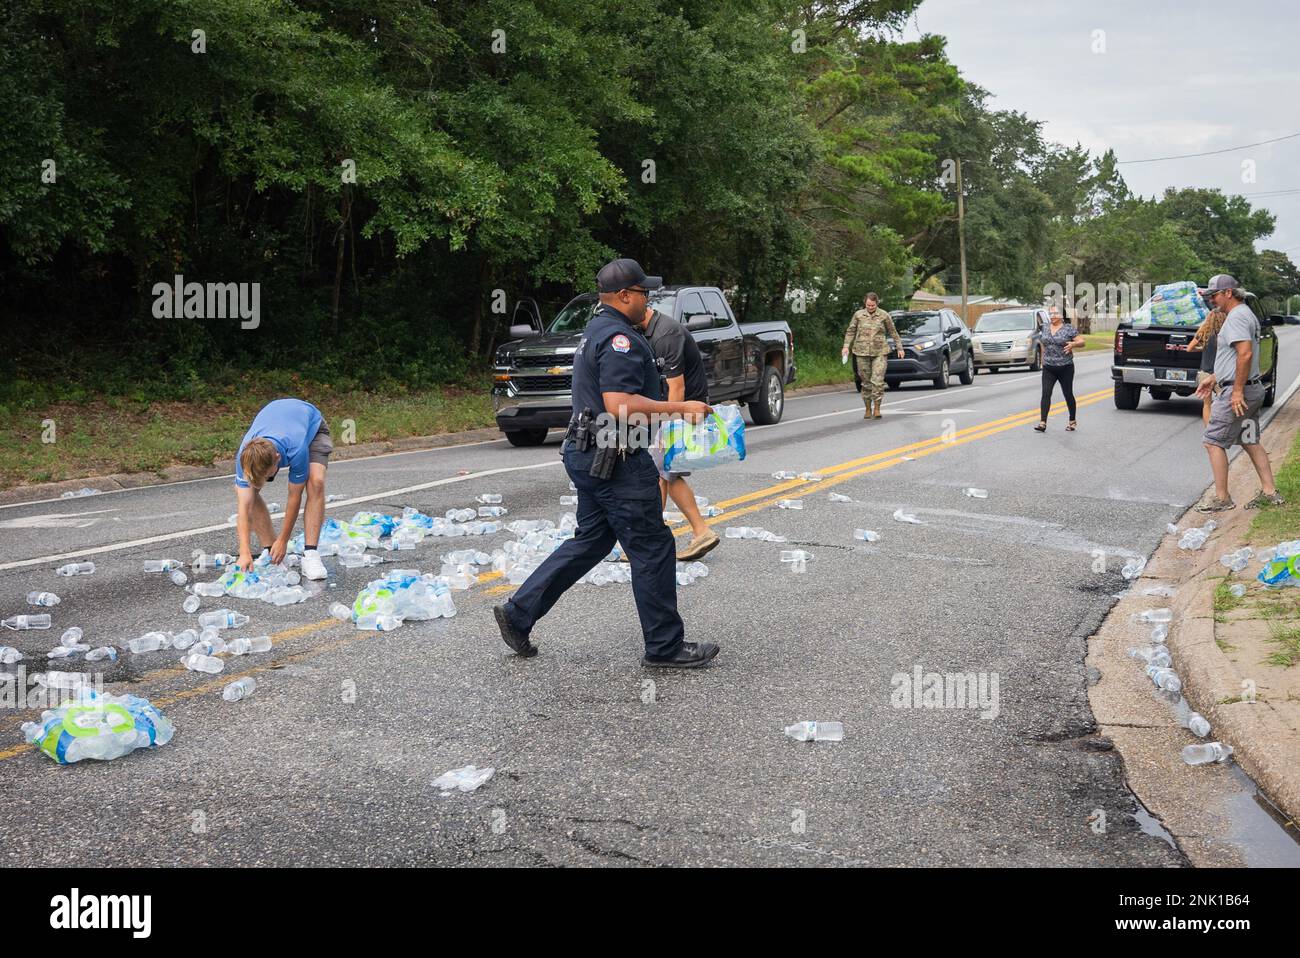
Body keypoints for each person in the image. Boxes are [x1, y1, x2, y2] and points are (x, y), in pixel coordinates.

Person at [492, 258, 720, 668]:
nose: (648, 300)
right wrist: (680, 407)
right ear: (624, 296)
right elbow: (619, 404)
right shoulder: (620, 339)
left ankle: (518, 614)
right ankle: (665, 646)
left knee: (591, 541)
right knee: (652, 547)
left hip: (588, 454)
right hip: (618, 458)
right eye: (643, 293)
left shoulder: (594, 331)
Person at [637, 304, 720, 562]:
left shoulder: (666, 334)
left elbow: (677, 388)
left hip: (685, 409)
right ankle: (700, 531)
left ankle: (652, 541)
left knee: (659, 473)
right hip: (670, 409)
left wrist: (667, 427)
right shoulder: (643, 331)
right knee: (666, 475)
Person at [1194, 275, 1284, 512]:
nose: (1211, 300)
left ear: (1228, 293)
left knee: (1212, 441)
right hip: (1251, 389)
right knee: (1249, 440)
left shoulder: (1236, 317)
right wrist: (1214, 377)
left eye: (1214, 295)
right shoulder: (1244, 314)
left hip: (1240, 392)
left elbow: (1244, 354)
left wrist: (1235, 392)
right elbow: (1236, 357)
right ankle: (1270, 492)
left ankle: (1222, 498)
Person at [233, 398, 333, 579]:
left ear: (278, 458)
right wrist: (244, 552)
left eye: (266, 475)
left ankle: (311, 554)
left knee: (315, 482)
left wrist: (284, 540)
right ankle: (271, 550)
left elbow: (294, 497)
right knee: (249, 493)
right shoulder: (245, 457)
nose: (263, 480)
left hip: (312, 427)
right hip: (279, 419)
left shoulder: (296, 449)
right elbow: (243, 508)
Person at [841, 292, 903, 420]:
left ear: (877, 303)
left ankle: (877, 408)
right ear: (865, 303)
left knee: (877, 381)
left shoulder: (884, 315)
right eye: (868, 305)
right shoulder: (858, 315)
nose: (870, 307)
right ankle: (868, 408)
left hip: (879, 352)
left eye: (873, 305)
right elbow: (851, 331)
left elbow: (893, 332)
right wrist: (846, 346)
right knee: (866, 382)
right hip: (861, 352)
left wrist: (899, 347)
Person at [1031, 304, 1084, 432]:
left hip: (1065, 367)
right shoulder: (1045, 328)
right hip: (1049, 367)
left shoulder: (1068, 328)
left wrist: (1074, 344)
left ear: (1061, 316)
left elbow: (1082, 342)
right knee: (1046, 394)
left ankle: (1072, 420)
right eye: (1051, 314)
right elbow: (1043, 344)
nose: (1052, 316)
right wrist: (1043, 360)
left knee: (1068, 394)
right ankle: (1042, 422)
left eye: (1055, 314)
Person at [1188, 308, 1227, 426]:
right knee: (1225, 404)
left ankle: (1208, 431)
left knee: (1207, 404)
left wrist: (1201, 348)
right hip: (1220, 375)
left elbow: (1189, 348)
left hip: (1204, 372)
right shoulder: (1225, 334)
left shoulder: (1204, 333)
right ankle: (1222, 429)